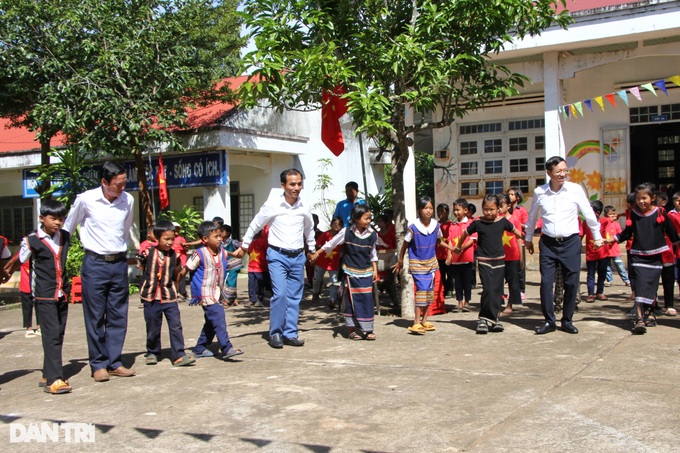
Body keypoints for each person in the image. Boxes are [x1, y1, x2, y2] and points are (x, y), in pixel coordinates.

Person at [63, 161, 135, 382]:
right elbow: (67, 227)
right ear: (104, 182)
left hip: (118, 263)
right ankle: (98, 364)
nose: (122, 188)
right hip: (95, 264)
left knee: (118, 315)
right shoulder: (86, 200)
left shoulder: (128, 200)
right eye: (117, 184)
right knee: (95, 316)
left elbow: (125, 230)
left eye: (124, 183)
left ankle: (114, 362)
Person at [234, 168, 316, 349]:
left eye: (299, 184)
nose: (296, 188)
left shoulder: (305, 205)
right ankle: (276, 333)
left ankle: (291, 333)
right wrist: (245, 244)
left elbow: (309, 228)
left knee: (294, 297)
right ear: (283, 185)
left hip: (298, 256)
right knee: (279, 295)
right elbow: (256, 223)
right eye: (292, 184)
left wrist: (311, 248)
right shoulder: (272, 205)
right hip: (277, 255)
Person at [525, 156, 604, 335]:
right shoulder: (540, 192)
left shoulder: (575, 190)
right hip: (548, 244)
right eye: (558, 171)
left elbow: (589, 213)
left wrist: (597, 235)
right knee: (546, 282)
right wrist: (528, 239)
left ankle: (567, 320)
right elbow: (532, 216)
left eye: (565, 170)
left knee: (571, 282)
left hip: (570, 243)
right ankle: (549, 321)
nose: (563, 174)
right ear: (549, 173)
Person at [5, 200, 72, 394]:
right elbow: (20, 259)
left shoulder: (65, 237)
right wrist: (7, 269)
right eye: (53, 219)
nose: (57, 223)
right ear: (42, 218)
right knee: (50, 336)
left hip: (61, 293)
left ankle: (47, 372)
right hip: (44, 295)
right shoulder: (32, 240)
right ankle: (55, 379)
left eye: (61, 219)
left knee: (58, 335)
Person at [605, 182, 680, 334]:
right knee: (640, 287)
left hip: (655, 256)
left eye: (644, 198)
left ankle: (650, 314)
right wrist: (612, 239)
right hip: (638, 256)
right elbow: (627, 232)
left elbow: (671, 232)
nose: (641, 202)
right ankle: (640, 320)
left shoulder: (660, 212)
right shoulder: (634, 213)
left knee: (650, 288)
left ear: (652, 198)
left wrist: (676, 243)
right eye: (638, 198)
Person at [453, 194, 523, 334]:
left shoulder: (502, 221)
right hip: (484, 261)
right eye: (485, 209)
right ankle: (483, 319)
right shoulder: (478, 223)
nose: (488, 212)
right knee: (488, 289)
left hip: (499, 261)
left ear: (498, 209)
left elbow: (516, 231)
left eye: (491, 209)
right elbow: (465, 234)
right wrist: (458, 247)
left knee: (497, 291)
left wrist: (527, 241)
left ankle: (496, 319)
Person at [312, 205, 381, 340]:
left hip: (366, 272)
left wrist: (375, 270)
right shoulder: (346, 232)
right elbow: (331, 244)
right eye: (366, 218)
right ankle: (351, 330)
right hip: (350, 272)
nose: (368, 221)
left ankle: (368, 330)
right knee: (350, 300)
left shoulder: (373, 235)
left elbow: (373, 254)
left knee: (367, 300)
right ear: (356, 219)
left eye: (369, 218)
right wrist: (317, 253)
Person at [180, 221, 244, 359]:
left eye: (220, 236)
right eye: (216, 236)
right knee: (218, 316)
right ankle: (227, 348)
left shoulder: (222, 251)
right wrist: (175, 286)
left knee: (211, 322)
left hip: (217, 292)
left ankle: (199, 348)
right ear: (204, 239)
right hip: (205, 294)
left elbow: (232, 255)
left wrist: (241, 251)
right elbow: (185, 270)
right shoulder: (199, 254)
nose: (220, 239)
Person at [393, 197, 455, 335]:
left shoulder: (435, 225)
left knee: (429, 292)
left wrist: (451, 248)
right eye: (425, 208)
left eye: (430, 208)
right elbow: (405, 244)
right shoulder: (413, 228)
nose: (429, 211)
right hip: (417, 263)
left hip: (431, 262)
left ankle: (424, 320)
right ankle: (416, 322)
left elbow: (439, 241)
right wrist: (400, 260)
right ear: (419, 210)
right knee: (421, 291)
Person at [138, 220, 195, 367]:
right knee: (152, 326)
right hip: (151, 296)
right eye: (166, 239)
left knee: (176, 325)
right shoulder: (148, 252)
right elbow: (140, 265)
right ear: (157, 238)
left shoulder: (174, 256)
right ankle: (153, 352)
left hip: (169, 295)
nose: (170, 242)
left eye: (172, 239)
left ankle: (178, 354)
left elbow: (177, 272)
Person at [448, 199, 476, 313]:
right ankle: (459, 302)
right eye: (454, 210)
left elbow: (472, 240)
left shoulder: (470, 224)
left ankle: (467, 302)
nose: (456, 213)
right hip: (456, 259)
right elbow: (450, 241)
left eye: (458, 210)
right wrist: (450, 254)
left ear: (465, 210)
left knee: (467, 281)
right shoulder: (452, 225)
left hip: (467, 258)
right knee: (458, 282)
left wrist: (460, 248)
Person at [498, 194, 522, 316]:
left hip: (512, 256)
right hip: (499, 256)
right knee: (497, 281)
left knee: (512, 281)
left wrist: (521, 257)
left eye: (501, 206)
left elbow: (519, 239)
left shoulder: (514, 221)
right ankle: (498, 302)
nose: (499, 209)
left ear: (508, 206)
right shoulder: (496, 220)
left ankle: (510, 304)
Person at [312, 216, 343, 308]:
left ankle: (332, 299)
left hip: (334, 262)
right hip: (321, 261)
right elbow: (317, 245)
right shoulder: (325, 234)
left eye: (339, 225)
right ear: (331, 224)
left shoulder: (341, 237)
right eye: (335, 224)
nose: (337, 226)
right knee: (317, 279)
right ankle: (316, 293)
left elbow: (344, 248)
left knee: (333, 281)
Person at [582, 200, 609, 303]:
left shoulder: (605, 222)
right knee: (591, 274)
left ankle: (600, 292)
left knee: (602, 274)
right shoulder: (586, 223)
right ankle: (590, 294)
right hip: (591, 253)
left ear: (597, 213)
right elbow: (581, 235)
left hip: (603, 253)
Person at [507, 187, 528, 301]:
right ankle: (512, 290)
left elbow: (527, 225)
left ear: (518, 197)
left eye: (512, 194)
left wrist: (516, 223)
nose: (509, 196)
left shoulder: (522, 210)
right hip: (508, 243)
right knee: (510, 268)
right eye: (508, 194)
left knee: (520, 266)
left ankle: (521, 290)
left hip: (520, 242)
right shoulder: (506, 209)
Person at [603, 206, 631, 288]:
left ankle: (626, 280)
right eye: (610, 214)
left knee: (620, 265)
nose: (612, 216)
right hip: (606, 250)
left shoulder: (616, 224)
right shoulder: (604, 224)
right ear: (605, 215)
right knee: (607, 266)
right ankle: (609, 280)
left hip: (614, 250)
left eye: (613, 214)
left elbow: (620, 235)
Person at [247, 226, 269, 307]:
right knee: (251, 284)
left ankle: (260, 299)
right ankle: (252, 299)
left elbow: (267, 251)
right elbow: (248, 251)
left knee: (260, 284)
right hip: (251, 267)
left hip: (260, 267)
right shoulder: (250, 241)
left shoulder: (263, 241)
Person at [220, 224, 242, 306]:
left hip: (234, 265)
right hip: (225, 265)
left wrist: (237, 253)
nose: (221, 233)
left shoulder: (233, 242)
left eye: (222, 231)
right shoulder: (220, 243)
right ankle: (234, 298)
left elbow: (242, 247)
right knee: (225, 282)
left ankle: (228, 300)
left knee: (231, 282)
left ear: (228, 233)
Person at [436, 203, 454, 299]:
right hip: (438, 253)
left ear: (447, 212)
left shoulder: (451, 225)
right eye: (438, 211)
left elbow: (451, 239)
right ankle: (443, 289)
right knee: (441, 273)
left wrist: (449, 253)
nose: (439, 213)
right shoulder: (436, 224)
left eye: (442, 211)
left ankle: (450, 289)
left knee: (450, 273)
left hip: (447, 252)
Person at [171, 222, 189, 302]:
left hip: (182, 260)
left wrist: (184, 246)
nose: (177, 230)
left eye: (178, 228)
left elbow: (186, 249)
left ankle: (183, 293)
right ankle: (174, 293)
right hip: (172, 261)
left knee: (181, 277)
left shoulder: (181, 239)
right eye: (175, 228)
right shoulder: (170, 239)